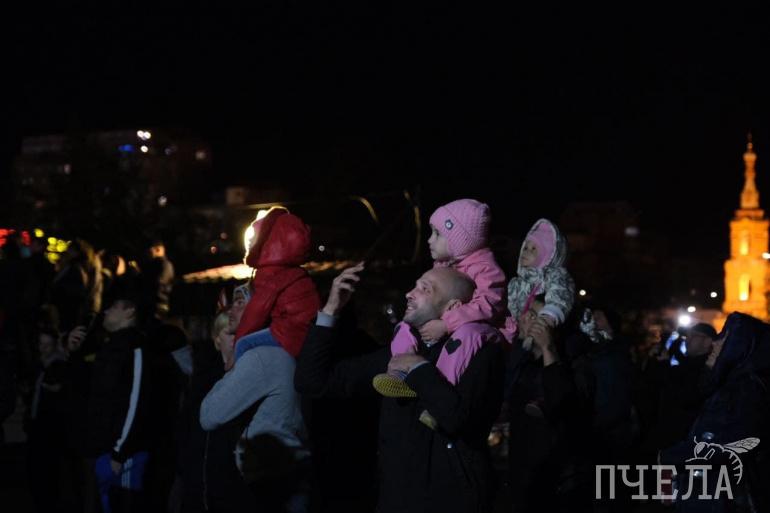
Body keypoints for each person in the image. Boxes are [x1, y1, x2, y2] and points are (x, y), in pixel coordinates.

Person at [295, 263, 506, 513]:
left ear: (452, 307)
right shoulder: (400, 352)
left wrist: (419, 369)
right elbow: (313, 382)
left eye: (425, 289)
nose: (409, 294)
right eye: (414, 286)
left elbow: (458, 419)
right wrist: (331, 310)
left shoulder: (480, 353)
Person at [376, 199, 509, 427]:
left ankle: (440, 395)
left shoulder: (486, 269)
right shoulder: (444, 265)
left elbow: (489, 304)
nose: (430, 240)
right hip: (450, 327)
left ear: (462, 240)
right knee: (405, 325)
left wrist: (447, 323)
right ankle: (401, 369)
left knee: (466, 333)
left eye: (438, 234)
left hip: (484, 331)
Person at [200, 281, 310, 513]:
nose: (231, 310)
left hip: (272, 487)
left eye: (240, 303)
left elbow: (209, 414)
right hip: (284, 480)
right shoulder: (278, 351)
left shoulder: (260, 357)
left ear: (262, 308)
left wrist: (231, 366)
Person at [660, 313, 770, 512]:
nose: (715, 344)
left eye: (724, 339)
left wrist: (671, 457)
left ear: (739, 346)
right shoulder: (727, 383)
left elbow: (728, 443)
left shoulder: (746, 389)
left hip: (718, 495)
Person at [504, 294, 592, 513]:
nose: (525, 318)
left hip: (558, 478)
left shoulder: (576, 362)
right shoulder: (522, 359)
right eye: (527, 312)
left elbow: (562, 405)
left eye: (535, 315)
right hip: (523, 472)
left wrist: (547, 348)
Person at [85, 281, 152, 513]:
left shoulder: (135, 347)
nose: (106, 311)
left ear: (129, 311)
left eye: (113, 307)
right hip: (103, 449)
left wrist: (119, 452)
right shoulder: (111, 346)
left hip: (120, 455)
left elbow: (135, 401)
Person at [227, 207, 320, 370]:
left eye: (255, 236)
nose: (250, 241)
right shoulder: (296, 271)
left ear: (270, 240)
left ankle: (236, 376)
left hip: (290, 333)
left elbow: (256, 312)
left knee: (244, 344)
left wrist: (234, 349)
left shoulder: (269, 273)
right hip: (311, 332)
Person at [507, 218, 576, 346]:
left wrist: (546, 318)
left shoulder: (555, 276)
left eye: (534, 249)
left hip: (547, 336)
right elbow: (511, 310)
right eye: (525, 247)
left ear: (547, 255)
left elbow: (560, 296)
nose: (526, 252)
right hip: (521, 336)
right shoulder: (517, 283)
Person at [141, 239, 175, 320]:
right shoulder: (154, 264)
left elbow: (159, 284)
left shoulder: (165, 265)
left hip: (159, 305)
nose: (148, 254)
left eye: (150, 251)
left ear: (158, 249)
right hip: (154, 304)